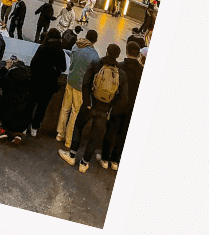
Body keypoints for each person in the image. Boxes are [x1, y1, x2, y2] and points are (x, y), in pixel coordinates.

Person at [59, 43, 128, 172]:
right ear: (118, 56)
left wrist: (87, 103)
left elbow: (85, 84)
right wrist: (110, 110)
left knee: (78, 127)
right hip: (104, 110)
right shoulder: (120, 74)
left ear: (107, 52)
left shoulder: (96, 64)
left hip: (89, 105)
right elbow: (124, 98)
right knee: (95, 137)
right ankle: (84, 164)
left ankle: (72, 155)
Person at [99, 40, 144, 170]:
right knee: (123, 134)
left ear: (126, 51)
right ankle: (115, 161)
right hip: (131, 107)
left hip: (117, 104)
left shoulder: (120, 66)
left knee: (111, 130)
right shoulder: (142, 71)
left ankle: (104, 158)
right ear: (138, 54)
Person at [55, 27, 99, 150]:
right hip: (81, 87)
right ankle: (68, 141)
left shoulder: (76, 46)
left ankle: (60, 134)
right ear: (95, 41)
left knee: (65, 108)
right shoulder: (94, 54)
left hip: (70, 81)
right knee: (74, 113)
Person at [28, 27, 67, 135]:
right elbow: (63, 68)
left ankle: (24, 126)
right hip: (49, 84)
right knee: (42, 107)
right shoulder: (60, 52)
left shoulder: (42, 48)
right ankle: (34, 128)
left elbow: (33, 64)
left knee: (31, 104)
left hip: (36, 82)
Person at [0, 59, 35, 144]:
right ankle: (18, 133)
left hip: (7, 117)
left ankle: (1, 128)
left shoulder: (9, 76)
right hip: (24, 121)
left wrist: (5, 68)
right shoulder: (30, 80)